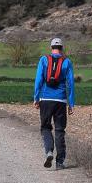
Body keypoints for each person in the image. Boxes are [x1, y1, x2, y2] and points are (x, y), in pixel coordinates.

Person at [33, 38, 75, 170]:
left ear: (51, 47)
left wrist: (36, 97)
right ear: (62, 48)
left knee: (45, 128)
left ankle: (49, 151)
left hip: (45, 99)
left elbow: (39, 79)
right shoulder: (67, 61)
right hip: (61, 101)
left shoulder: (44, 60)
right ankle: (60, 162)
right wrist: (71, 103)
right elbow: (71, 84)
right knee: (59, 130)